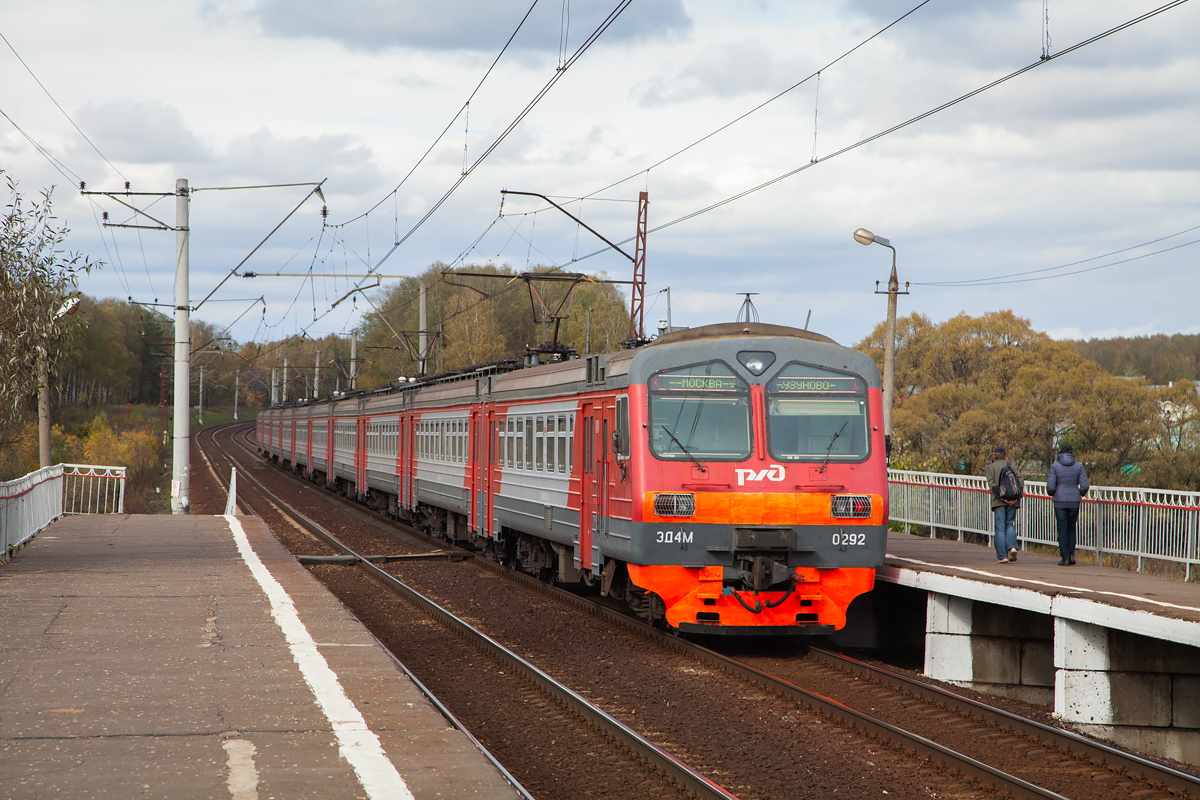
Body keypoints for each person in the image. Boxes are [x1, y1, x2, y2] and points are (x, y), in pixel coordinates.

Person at [1047, 443, 1089, 565]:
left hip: (1060, 500)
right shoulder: (1079, 467)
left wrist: (1053, 493)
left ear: (1060, 454)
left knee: (1062, 528)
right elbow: (1085, 485)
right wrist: (1079, 492)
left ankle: (1064, 557)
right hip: (1074, 500)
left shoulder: (1055, 466)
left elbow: (1050, 486)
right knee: (1072, 527)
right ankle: (1071, 555)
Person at [985, 446, 1023, 563]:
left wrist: (1003, 498)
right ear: (1004, 455)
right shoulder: (1011, 466)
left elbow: (992, 486)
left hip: (999, 501)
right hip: (1013, 500)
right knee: (1010, 524)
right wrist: (1014, 498)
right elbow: (1020, 480)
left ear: (994, 455)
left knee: (1000, 527)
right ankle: (1012, 547)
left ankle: (1002, 556)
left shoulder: (990, 467)